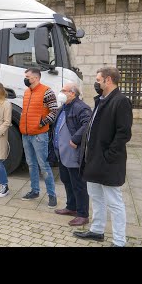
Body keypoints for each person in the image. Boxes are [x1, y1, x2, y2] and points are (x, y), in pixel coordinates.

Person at [73, 67, 133, 247]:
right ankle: (97, 231)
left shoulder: (121, 101)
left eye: (98, 79)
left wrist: (109, 155)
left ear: (108, 80)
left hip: (107, 161)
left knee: (114, 202)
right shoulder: (101, 100)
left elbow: (123, 134)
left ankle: (119, 241)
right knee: (96, 197)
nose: (96, 82)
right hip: (93, 160)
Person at [53, 82, 92, 226]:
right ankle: (71, 207)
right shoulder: (64, 107)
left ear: (73, 94)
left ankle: (82, 214)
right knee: (67, 181)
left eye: (64, 90)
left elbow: (87, 124)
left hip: (73, 152)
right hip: (62, 152)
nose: (61, 92)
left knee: (78, 184)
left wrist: (76, 138)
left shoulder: (81, 107)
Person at [20, 68, 59, 208]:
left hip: (39, 135)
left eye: (27, 76)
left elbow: (54, 111)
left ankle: (51, 195)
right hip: (26, 134)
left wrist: (42, 123)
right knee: (31, 164)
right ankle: (35, 191)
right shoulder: (26, 92)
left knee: (44, 165)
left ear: (35, 78)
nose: (25, 78)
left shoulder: (47, 91)